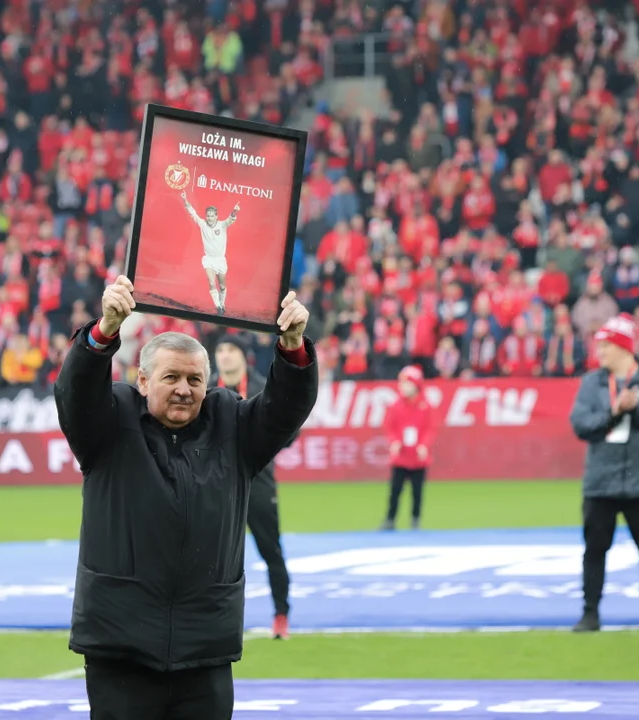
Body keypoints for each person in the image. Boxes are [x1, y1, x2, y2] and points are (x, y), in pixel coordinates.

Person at [54, 275, 317, 720]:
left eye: (195, 379)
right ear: (141, 380)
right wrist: (104, 332)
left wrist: (292, 348)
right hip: (121, 649)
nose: (183, 388)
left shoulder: (231, 424)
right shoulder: (109, 420)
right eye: (171, 376)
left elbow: (284, 412)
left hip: (204, 649)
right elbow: (74, 394)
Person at [568, 314, 639, 633]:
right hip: (601, 483)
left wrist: (637, 409)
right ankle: (590, 612)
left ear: (622, 348)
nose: (599, 351)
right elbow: (580, 424)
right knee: (594, 550)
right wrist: (614, 412)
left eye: (605, 345)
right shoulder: (592, 382)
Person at [210, 334, 293, 640]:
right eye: (220, 349)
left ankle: (281, 615)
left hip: (258, 483)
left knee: (271, 551)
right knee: (209, 556)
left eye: (231, 349)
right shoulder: (205, 389)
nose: (225, 356)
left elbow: (290, 431)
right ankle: (212, 620)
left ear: (244, 356)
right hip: (215, 484)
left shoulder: (263, 388)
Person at [380, 365, 435, 531]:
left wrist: (424, 445)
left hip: (418, 458)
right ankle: (390, 520)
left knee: (417, 493)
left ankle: (415, 521)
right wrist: (394, 441)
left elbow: (430, 428)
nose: (402, 387)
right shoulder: (396, 405)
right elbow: (389, 427)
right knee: (395, 491)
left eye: (406, 384)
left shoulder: (426, 406)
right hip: (401, 458)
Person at [181, 191, 239, 315]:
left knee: (222, 286)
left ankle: (222, 304)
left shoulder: (222, 225)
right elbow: (192, 213)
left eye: (212, 216)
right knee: (212, 283)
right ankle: (218, 307)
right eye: (208, 216)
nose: (210, 218)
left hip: (220, 260)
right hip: (209, 259)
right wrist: (185, 199)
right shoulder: (202, 224)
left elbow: (231, 219)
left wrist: (234, 211)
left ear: (216, 216)